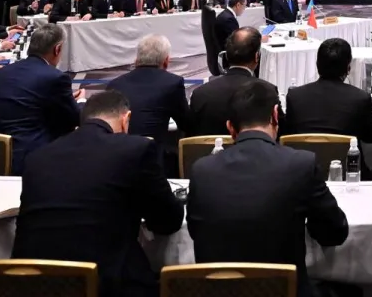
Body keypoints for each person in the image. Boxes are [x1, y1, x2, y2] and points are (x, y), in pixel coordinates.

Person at [14, 90, 182, 297]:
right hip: (105, 282)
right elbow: (168, 221)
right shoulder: (136, 148)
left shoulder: (37, 157)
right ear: (126, 119)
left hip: (33, 283)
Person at [188, 79, 347, 297]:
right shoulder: (301, 164)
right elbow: (335, 232)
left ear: (230, 128)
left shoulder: (201, 171)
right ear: (275, 115)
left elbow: (196, 232)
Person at [0, 23, 80, 174]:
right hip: (26, 156)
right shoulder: (55, 77)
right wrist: (80, 102)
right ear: (57, 49)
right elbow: (73, 119)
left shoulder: (3, 72)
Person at [107, 34, 190, 162]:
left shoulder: (115, 84)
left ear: (137, 59)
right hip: (153, 157)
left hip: (116, 156)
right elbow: (186, 123)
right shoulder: (173, 83)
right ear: (166, 61)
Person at [281, 37, 372, 144]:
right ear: (348, 68)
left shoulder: (295, 97)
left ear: (317, 65)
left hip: (305, 159)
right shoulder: (360, 98)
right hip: (347, 159)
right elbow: (370, 137)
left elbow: (288, 135)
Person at [188, 26, 273, 138]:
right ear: (257, 57)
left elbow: (191, 133)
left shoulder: (199, 93)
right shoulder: (268, 91)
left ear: (226, 55)